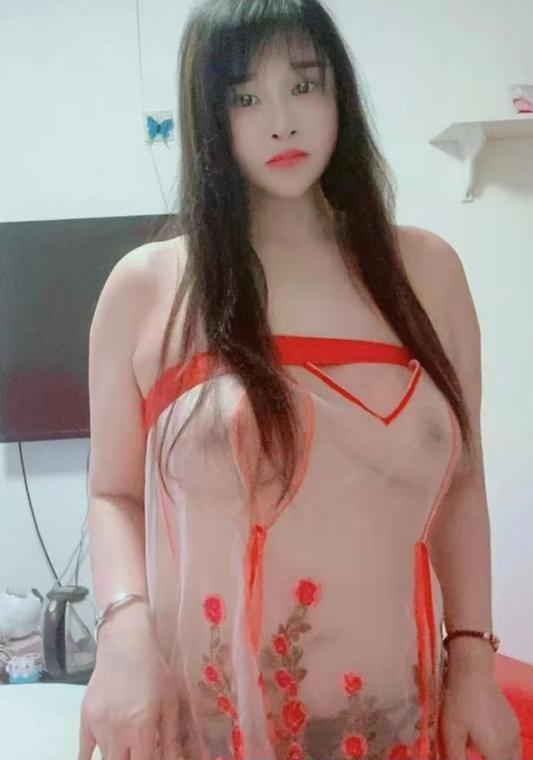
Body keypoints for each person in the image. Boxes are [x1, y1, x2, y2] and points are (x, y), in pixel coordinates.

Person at [79, 1, 522, 759]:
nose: (281, 123)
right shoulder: (148, 288)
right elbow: (113, 494)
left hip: (394, 718)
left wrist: (474, 660)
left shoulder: (426, 273)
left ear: (338, 92)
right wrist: (121, 633)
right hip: (209, 726)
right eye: (245, 97)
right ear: (209, 116)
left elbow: (462, 484)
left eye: (304, 85)